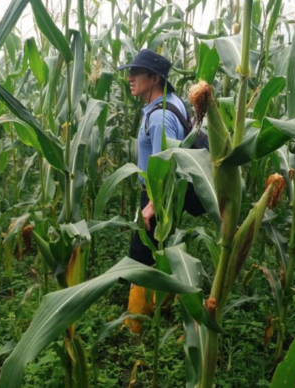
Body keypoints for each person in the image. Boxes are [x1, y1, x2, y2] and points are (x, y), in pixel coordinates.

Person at [116, 49, 188, 332]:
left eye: (136, 73)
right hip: (169, 195)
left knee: (139, 262)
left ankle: (134, 329)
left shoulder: (158, 117)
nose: (129, 78)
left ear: (154, 78)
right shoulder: (174, 103)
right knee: (163, 255)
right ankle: (161, 314)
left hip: (157, 194)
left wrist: (152, 204)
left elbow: (165, 165)